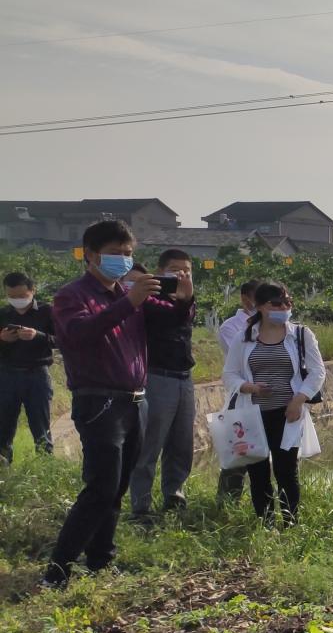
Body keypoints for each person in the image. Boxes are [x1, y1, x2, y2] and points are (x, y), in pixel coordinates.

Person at [43, 220, 159, 588]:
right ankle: (58, 570)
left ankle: (100, 561)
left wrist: (184, 300)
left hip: (131, 401)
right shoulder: (73, 296)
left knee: (117, 486)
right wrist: (129, 302)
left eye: (128, 254)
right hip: (100, 401)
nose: (124, 261)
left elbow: (170, 328)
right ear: (91, 255)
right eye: (115, 254)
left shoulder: (126, 296)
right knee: (101, 487)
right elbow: (78, 335)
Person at [223, 282, 324, 524]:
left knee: (286, 471)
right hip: (253, 415)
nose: (284, 308)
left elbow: (317, 371)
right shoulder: (244, 337)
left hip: (288, 412)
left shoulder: (301, 334)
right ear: (259, 307)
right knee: (258, 473)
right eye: (276, 304)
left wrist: (299, 400)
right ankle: (265, 524)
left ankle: (290, 523)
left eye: (287, 302)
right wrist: (248, 387)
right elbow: (230, 374)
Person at [129, 249, 197, 521]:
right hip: (157, 377)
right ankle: (141, 505)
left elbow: (185, 317)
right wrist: (183, 301)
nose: (181, 275)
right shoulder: (148, 299)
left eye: (186, 270)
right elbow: (170, 318)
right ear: (159, 271)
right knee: (150, 443)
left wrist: (186, 298)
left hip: (184, 377)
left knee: (182, 444)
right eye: (175, 269)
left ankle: (174, 495)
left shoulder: (187, 298)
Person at [1, 272, 55, 464]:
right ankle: (4, 472)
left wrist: (38, 335)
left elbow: (63, 340)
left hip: (37, 375)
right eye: (12, 296)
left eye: (22, 296)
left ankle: (45, 470)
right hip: (7, 376)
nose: (17, 300)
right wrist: (2, 339)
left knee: (41, 428)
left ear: (32, 291)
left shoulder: (47, 311)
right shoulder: (3, 314)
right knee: (3, 428)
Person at [215, 279, 260, 501]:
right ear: (245, 299)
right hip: (242, 398)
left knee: (270, 456)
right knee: (239, 454)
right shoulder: (231, 327)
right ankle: (227, 504)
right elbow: (245, 361)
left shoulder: (278, 326)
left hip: (270, 399)